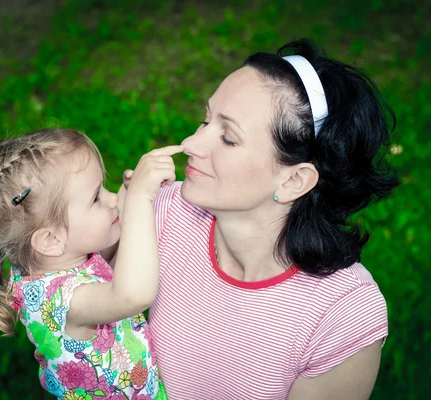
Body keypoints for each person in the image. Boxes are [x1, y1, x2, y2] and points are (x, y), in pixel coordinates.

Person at [121, 38, 399, 399]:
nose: (191, 143)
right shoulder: (165, 213)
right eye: (206, 120)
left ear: (293, 179)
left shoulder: (341, 314)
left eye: (228, 138)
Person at [0, 128, 183, 399]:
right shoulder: (62, 301)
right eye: (96, 198)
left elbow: (110, 266)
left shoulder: (52, 263)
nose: (112, 198)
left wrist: (128, 196)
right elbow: (132, 295)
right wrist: (140, 199)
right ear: (51, 239)